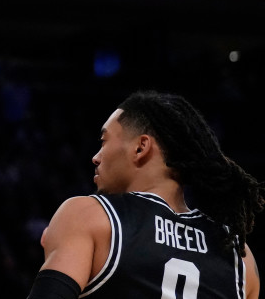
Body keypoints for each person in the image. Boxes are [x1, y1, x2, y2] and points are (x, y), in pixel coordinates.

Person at [28, 90, 263, 299]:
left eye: (104, 141)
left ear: (141, 147)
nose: (96, 157)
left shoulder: (90, 216)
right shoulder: (239, 256)